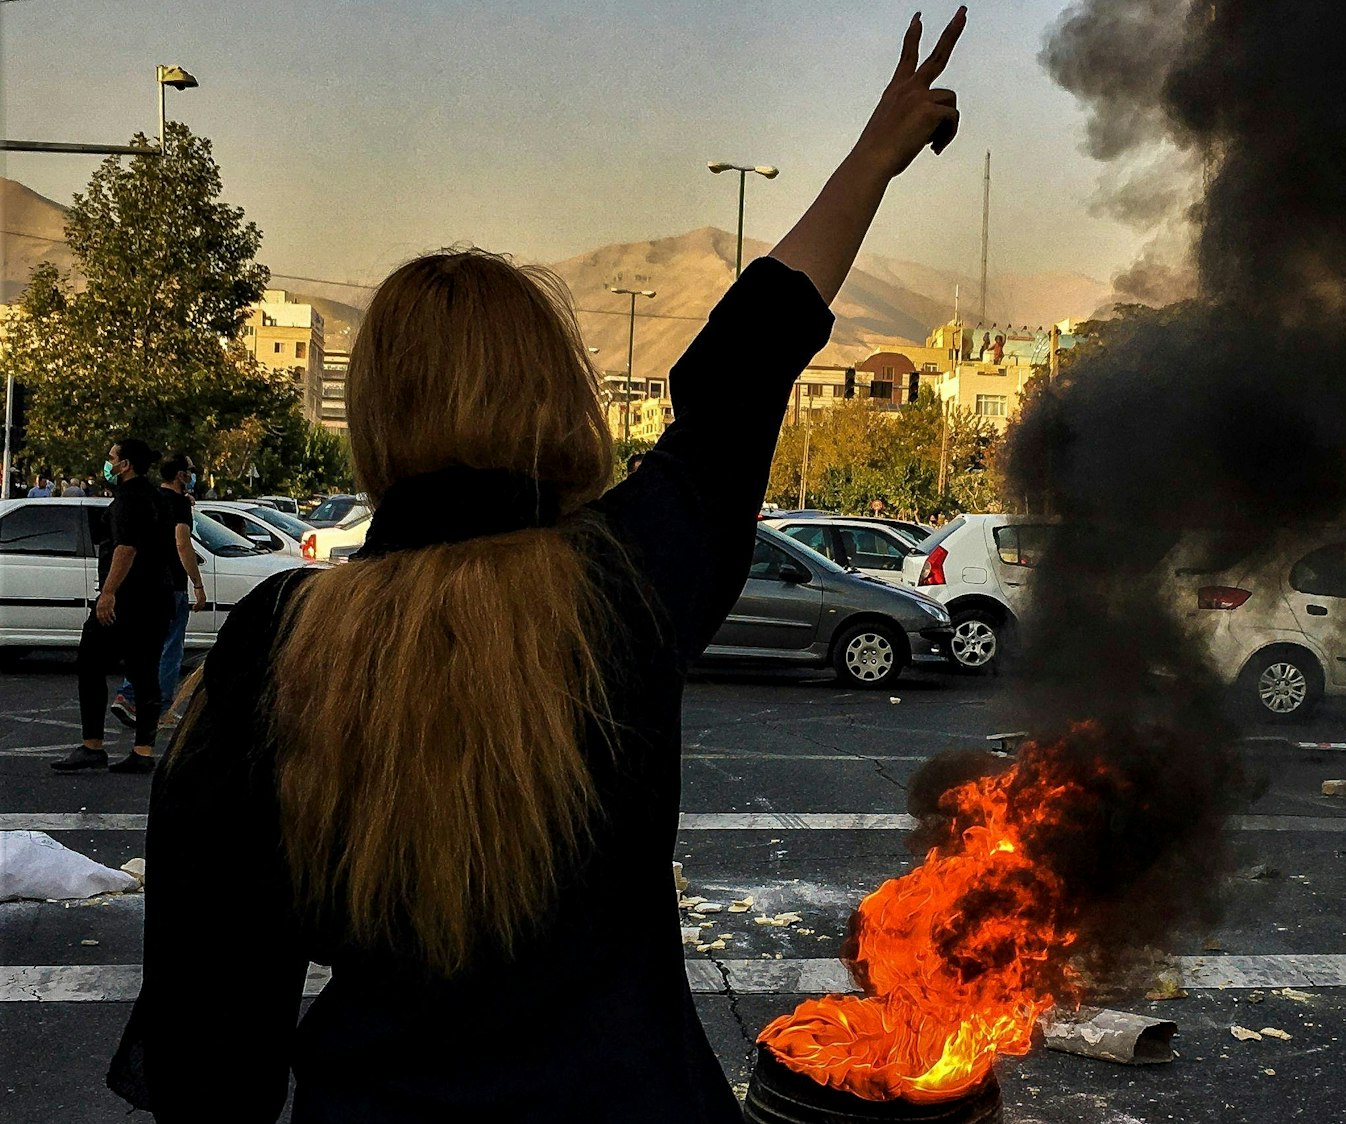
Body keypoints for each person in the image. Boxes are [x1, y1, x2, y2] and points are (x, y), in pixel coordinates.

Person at [108, 10, 965, 1120]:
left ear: (376, 416)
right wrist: (872, 156)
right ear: (554, 392)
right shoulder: (627, 579)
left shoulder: (282, 640)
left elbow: (210, 1035)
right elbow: (745, 364)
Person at [51, 438, 176, 774]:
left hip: (128, 600)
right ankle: (143, 750)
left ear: (126, 465)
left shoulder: (128, 499)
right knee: (145, 672)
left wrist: (108, 593)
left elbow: (126, 549)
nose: (107, 463)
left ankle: (92, 745)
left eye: (112, 458)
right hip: (156, 599)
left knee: (90, 663)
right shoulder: (156, 497)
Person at [109, 455, 208, 734]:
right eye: (190, 470)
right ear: (180, 475)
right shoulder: (179, 505)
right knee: (170, 648)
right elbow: (182, 543)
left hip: (144, 581)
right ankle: (160, 707)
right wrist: (197, 584)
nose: (192, 474)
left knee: (145, 644)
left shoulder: (152, 497)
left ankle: (128, 696)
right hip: (171, 584)